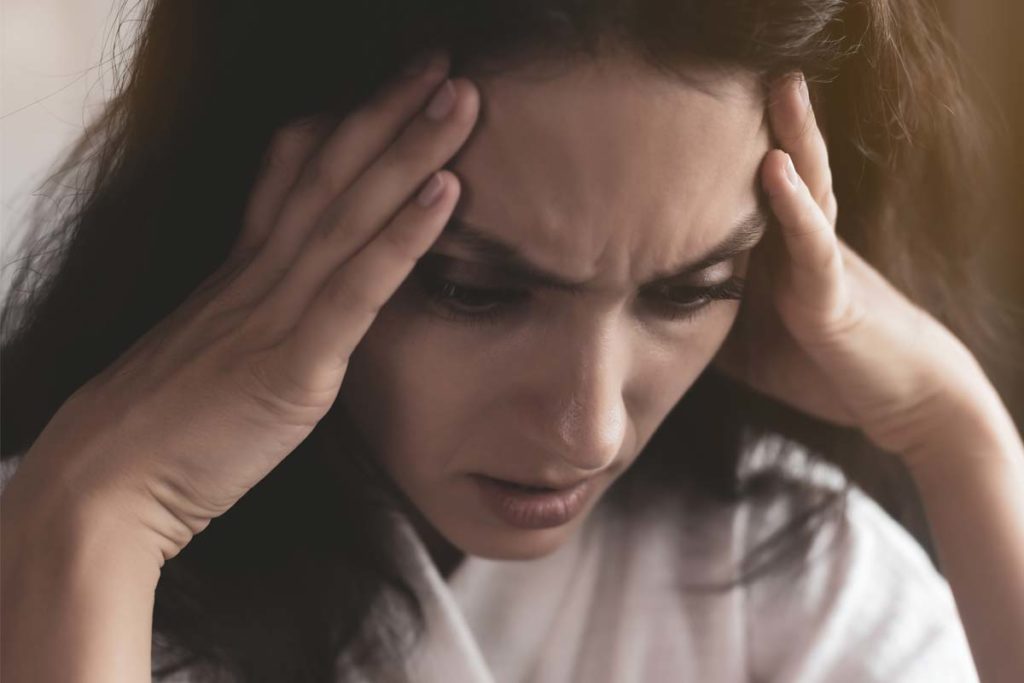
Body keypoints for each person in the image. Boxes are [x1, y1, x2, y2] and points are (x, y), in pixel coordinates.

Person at [1, 0, 1022, 681]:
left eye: (690, 289)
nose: (586, 426)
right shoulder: (68, 561)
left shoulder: (786, 574)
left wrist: (962, 436)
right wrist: (95, 518)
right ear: (266, 207)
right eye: (475, 290)